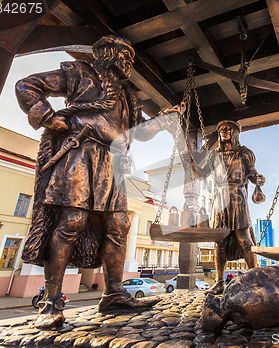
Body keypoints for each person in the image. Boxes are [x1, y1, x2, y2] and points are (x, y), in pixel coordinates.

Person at [15, 35, 179, 329]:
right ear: (106, 53)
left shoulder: (128, 94)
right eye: (123, 55)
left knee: (120, 225)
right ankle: (51, 301)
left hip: (112, 162)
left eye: (131, 58)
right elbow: (26, 85)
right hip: (80, 154)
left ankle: (114, 294)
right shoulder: (78, 73)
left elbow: (136, 133)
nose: (128, 63)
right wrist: (48, 117)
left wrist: (162, 122)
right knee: (72, 221)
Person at [192, 120, 265, 295]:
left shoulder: (244, 153)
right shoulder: (213, 155)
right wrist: (199, 151)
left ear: (236, 132)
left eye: (228, 129)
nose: (224, 131)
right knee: (220, 241)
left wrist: (259, 179)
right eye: (221, 129)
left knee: (244, 239)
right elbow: (199, 174)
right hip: (219, 199)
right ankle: (219, 282)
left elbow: (253, 174)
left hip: (238, 197)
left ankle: (254, 279)